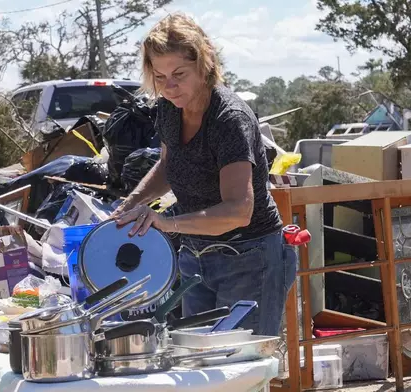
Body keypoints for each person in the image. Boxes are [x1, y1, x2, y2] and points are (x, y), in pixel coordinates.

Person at [111, 12, 297, 336]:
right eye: (159, 76)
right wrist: (126, 207)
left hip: (249, 259)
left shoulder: (229, 119)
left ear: (204, 64)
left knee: (240, 373)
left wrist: (167, 224)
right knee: (200, 370)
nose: (169, 86)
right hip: (195, 259)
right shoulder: (170, 107)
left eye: (179, 74)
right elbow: (170, 166)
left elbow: (239, 211)